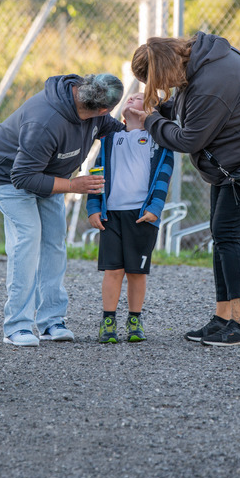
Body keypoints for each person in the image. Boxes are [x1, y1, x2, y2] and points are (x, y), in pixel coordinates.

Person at [126, 32, 240, 347]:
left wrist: (149, 121)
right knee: (221, 232)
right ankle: (223, 319)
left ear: (165, 67)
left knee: (228, 234)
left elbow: (189, 140)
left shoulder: (211, 84)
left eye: (158, 81)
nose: (162, 88)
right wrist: (160, 109)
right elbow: (189, 105)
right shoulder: (203, 60)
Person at [0, 73, 125, 347]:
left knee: (54, 241)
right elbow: (22, 177)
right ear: (100, 105)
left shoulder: (93, 111)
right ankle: (17, 326)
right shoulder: (45, 122)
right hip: (8, 174)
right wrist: (73, 185)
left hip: (48, 174)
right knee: (28, 237)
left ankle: (51, 322)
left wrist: (142, 123)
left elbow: (114, 129)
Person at [86, 91, 175, 344]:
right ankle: (108, 321)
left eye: (139, 98)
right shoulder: (110, 139)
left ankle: (135, 320)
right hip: (111, 215)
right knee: (113, 270)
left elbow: (163, 177)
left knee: (137, 272)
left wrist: (155, 209)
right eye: (131, 97)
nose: (131, 99)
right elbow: (97, 172)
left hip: (142, 216)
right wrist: (93, 207)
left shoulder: (160, 140)